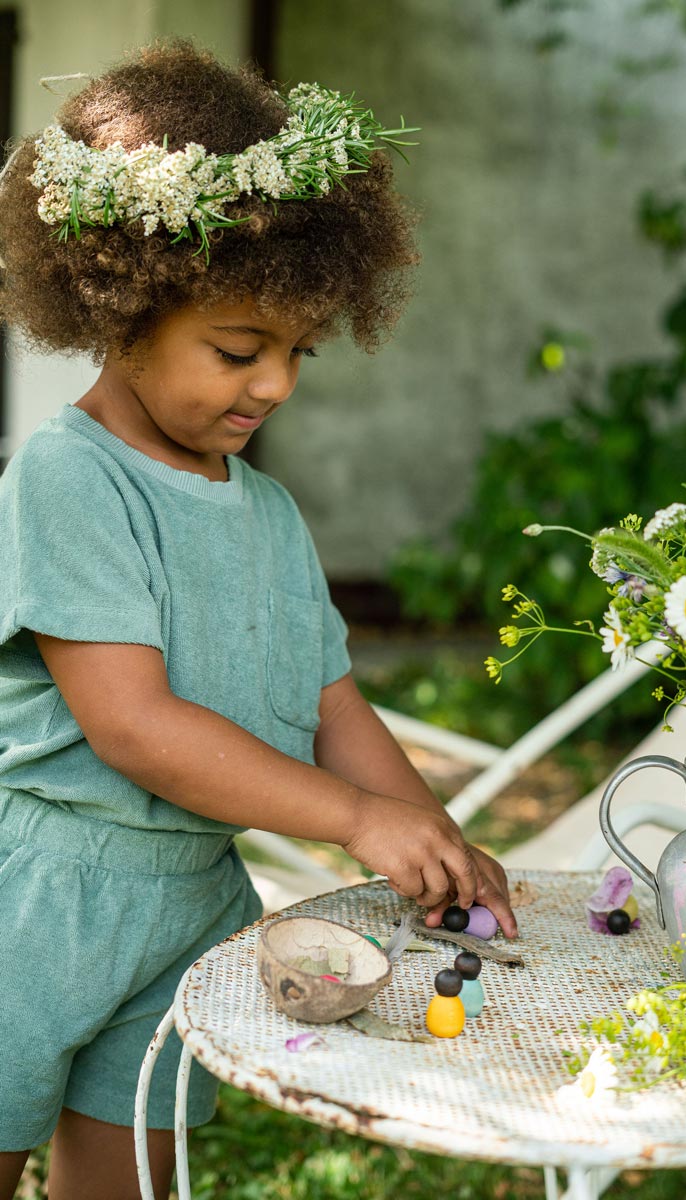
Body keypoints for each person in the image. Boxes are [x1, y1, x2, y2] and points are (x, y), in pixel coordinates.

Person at [0, 40, 517, 1200]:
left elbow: (331, 704)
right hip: (35, 902)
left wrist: (423, 833)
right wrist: (350, 822)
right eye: (239, 351)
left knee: (130, 1166)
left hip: (193, 902)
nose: (275, 384)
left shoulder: (268, 512)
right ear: (115, 307)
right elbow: (132, 727)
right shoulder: (68, 478)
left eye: (297, 352)